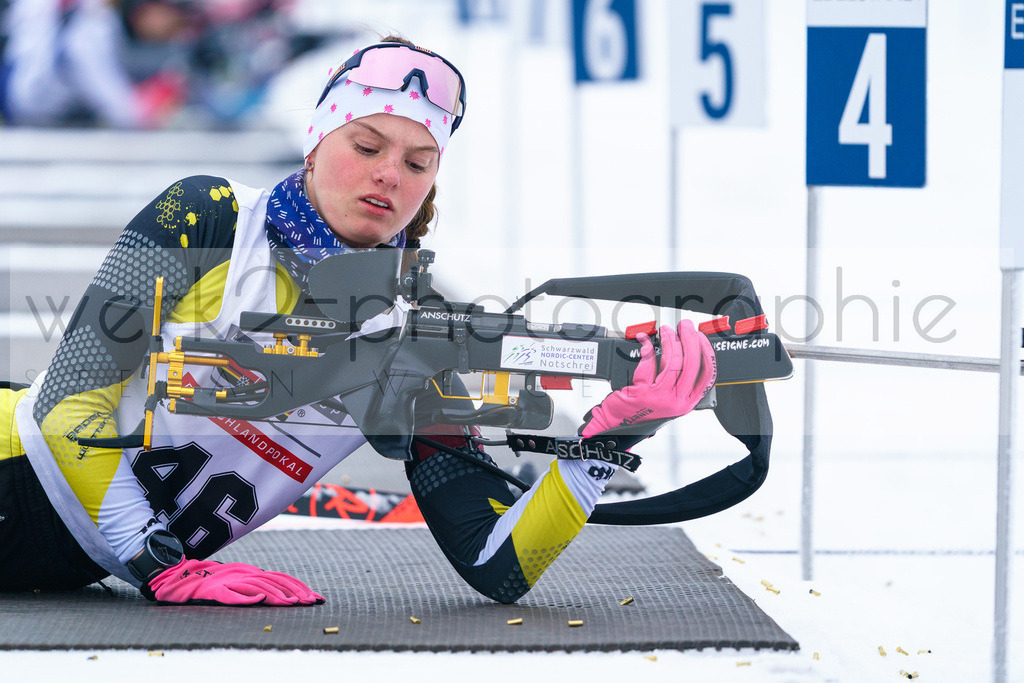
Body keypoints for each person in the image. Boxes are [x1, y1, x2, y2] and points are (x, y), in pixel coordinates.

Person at [0, 37, 717, 605]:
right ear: (316, 142)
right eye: (367, 147)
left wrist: (609, 441)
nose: (389, 175)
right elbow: (67, 403)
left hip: (61, 563)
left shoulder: (412, 339)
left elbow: (498, 561)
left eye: (418, 162)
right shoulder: (208, 216)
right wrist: (159, 562)